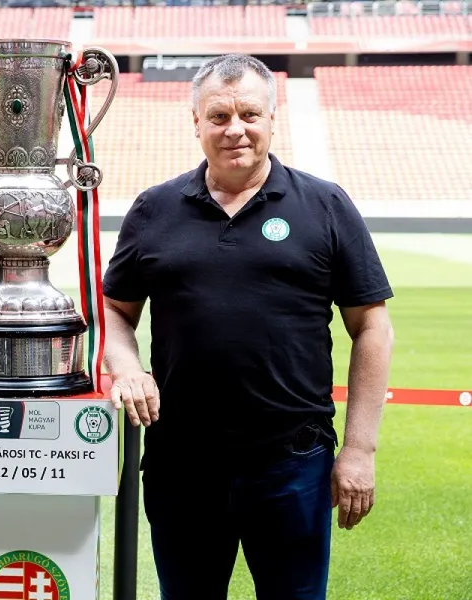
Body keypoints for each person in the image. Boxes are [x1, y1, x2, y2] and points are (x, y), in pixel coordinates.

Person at [102, 54, 395, 600]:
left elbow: (372, 326)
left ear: (271, 120)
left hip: (291, 463)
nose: (234, 129)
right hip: (180, 464)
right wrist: (127, 367)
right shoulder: (153, 209)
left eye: (249, 114)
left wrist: (360, 449)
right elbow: (115, 311)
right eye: (219, 116)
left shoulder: (326, 205)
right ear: (196, 122)